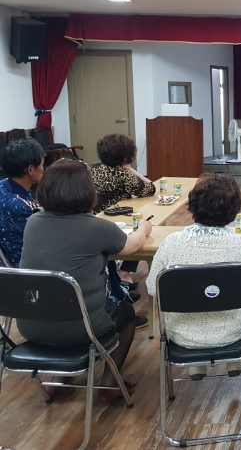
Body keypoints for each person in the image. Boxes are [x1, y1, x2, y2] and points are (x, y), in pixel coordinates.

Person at [17, 159, 152, 400]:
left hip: (31, 325)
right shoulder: (97, 227)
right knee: (127, 313)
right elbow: (131, 246)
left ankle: (59, 379)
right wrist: (143, 229)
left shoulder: (33, 222)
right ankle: (110, 383)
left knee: (59, 302)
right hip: (82, 328)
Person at [146, 173, 241, 380]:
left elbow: (153, 288)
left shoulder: (171, 243)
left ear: (193, 206)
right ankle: (234, 360)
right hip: (233, 332)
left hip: (183, 334)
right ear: (234, 210)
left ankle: (196, 364)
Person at [91, 133, 155, 284]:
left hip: (94, 220)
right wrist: (131, 170)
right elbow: (150, 188)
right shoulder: (123, 175)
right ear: (127, 156)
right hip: (119, 222)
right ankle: (124, 273)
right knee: (142, 228)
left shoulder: (91, 169)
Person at [0, 139, 44, 267]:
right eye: (42, 165)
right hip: (19, 268)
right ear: (30, 169)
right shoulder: (23, 208)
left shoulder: (3, 185)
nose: (43, 169)